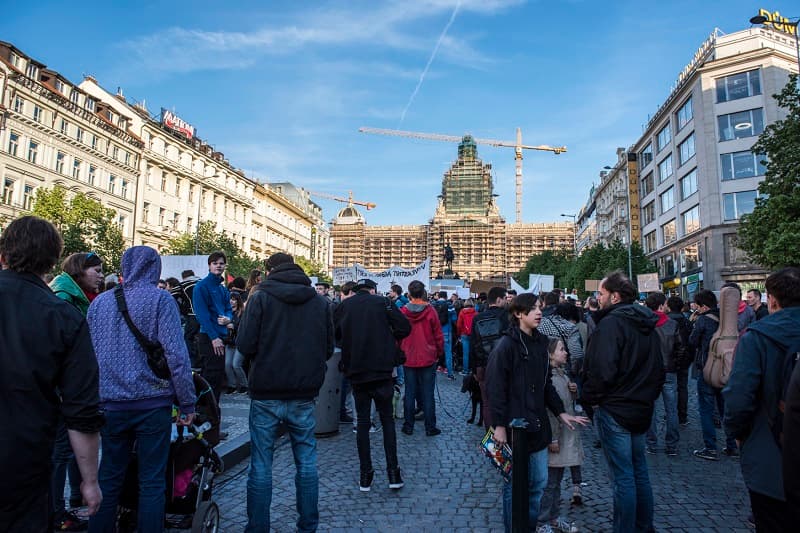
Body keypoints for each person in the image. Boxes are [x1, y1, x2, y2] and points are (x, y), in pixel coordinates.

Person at [0, 216, 103, 532]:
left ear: (3, 255)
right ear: (52, 261)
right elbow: (81, 409)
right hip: (24, 459)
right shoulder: (64, 315)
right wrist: (89, 481)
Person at [86, 245, 197, 533]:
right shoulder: (161, 300)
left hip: (110, 403)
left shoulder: (100, 303)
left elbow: (88, 354)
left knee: (108, 478)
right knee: (152, 481)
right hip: (152, 403)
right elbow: (177, 356)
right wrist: (187, 403)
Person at [236, 252, 334, 532]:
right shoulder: (319, 301)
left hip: (266, 390)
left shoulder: (259, 296)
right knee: (306, 463)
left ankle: (257, 528)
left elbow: (244, 344)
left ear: (269, 271)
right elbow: (328, 348)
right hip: (303, 392)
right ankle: (307, 526)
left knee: (261, 465)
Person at [486, 293, 589, 533]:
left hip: (537, 426)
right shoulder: (506, 346)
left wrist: (561, 412)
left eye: (540, 307)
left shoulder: (542, 343)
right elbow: (494, 388)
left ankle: (529, 527)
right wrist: (499, 425)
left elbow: (545, 384)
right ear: (518, 314)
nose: (539, 312)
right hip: (511, 430)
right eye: (532, 309)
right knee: (513, 485)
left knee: (538, 483)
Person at [581, 272, 664, 533]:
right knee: (639, 472)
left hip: (616, 409)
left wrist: (590, 401)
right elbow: (658, 369)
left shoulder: (610, 326)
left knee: (624, 477)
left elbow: (601, 371)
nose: (598, 298)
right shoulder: (647, 325)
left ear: (614, 296)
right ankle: (643, 526)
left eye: (601, 294)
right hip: (640, 407)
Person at [724, 267, 800, 531]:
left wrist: (736, 434)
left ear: (773, 300)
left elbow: (738, 397)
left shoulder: (757, 336)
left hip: (771, 459)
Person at [335, 278, 411, 492]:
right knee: (387, 421)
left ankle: (365, 475)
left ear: (356, 291)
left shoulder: (345, 306)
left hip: (357, 370)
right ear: (373, 290)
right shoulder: (383, 303)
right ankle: (393, 473)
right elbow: (404, 328)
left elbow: (335, 334)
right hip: (382, 370)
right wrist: (387, 336)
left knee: (362, 423)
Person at [49, 251, 104, 531]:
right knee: (60, 453)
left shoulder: (80, 297)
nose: (101, 275)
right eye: (96, 270)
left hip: (73, 387)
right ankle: (57, 512)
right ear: (80, 271)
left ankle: (73, 501)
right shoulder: (65, 299)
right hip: (63, 390)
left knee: (71, 450)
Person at [538, 338, 584, 533]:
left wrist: (573, 391)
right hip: (556, 437)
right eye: (561, 349)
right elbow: (550, 411)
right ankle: (542, 521)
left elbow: (567, 404)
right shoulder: (551, 378)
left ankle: (553, 517)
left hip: (565, 436)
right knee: (550, 483)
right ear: (550, 354)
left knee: (556, 481)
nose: (566, 352)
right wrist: (553, 438)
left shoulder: (562, 375)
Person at [689, 289, 738, 460]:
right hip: (725, 368)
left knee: (706, 409)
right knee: (725, 409)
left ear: (702, 306)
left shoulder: (703, 320)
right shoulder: (726, 319)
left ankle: (710, 447)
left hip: (708, 368)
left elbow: (692, 342)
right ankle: (732, 445)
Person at [400, 280, 444, 437]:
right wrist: (439, 353)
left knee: (410, 392)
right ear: (423, 292)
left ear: (409, 294)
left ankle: (408, 425)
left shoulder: (403, 311)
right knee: (427, 393)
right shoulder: (430, 311)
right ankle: (430, 427)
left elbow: (398, 334)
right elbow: (438, 335)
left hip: (409, 356)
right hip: (427, 356)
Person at [643, 292, 684, 456]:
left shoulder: (644, 324)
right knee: (671, 410)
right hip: (668, 370)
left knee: (650, 408)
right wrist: (675, 364)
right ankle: (672, 444)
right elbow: (680, 347)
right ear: (661, 305)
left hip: (649, 371)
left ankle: (651, 443)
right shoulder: (672, 324)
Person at [193, 251, 233, 406]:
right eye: (215, 263)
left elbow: (229, 307)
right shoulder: (201, 286)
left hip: (220, 337)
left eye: (221, 263)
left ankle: (213, 421)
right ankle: (209, 420)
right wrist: (214, 338)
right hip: (209, 338)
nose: (218, 266)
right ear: (209, 265)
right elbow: (202, 315)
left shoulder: (222, 288)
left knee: (216, 380)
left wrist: (228, 318)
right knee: (211, 380)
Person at [470, 286, 509, 428]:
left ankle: (491, 434)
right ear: (499, 300)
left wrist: (474, 369)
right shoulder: (507, 316)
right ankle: (503, 431)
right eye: (505, 298)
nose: (506, 301)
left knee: (486, 402)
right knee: (505, 399)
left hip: (483, 364)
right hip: (504, 364)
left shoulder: (477, 318)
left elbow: (473, 344)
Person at [666, 295, 693, 426]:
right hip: (685, 360)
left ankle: (671, 414)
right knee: (682, 387)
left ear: (669, 306)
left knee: (670, 388)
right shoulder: (687, 321)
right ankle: (682, 415)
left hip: (669, 359)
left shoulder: (666, 322)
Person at [224, 292, 248, 394]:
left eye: (234, 299)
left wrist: (234, 326)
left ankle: (244, 385)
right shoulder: (226, 312)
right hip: (229, 342)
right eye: (230, 299)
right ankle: (232, 385)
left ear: (238, 301)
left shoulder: (243, 313)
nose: (231, 301)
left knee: (236, 364)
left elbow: (245, 328)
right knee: (227, 364)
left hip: (240, 342)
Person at [432, 290, 456, 379]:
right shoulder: (449, 305)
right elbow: (454, 319)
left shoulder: (433, 305)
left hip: (435, 332)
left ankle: (431, 373)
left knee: (433, 353)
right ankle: (450, 374)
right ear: (446, 297)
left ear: (438, 296)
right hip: (447, 331)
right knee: (448, 353)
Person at [456, 299, 476, 375]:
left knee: (465, 354)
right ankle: (472, 370)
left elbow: (458, 325)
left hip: (464, 334)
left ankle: (465, 370)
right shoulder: (475, 312)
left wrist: (459, 334)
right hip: (473, 334)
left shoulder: (462, 312)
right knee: (473, 353)